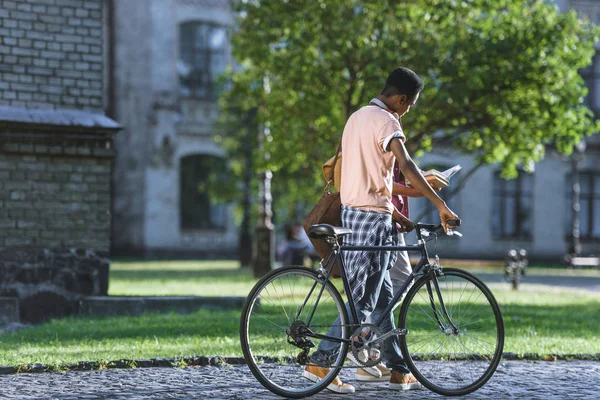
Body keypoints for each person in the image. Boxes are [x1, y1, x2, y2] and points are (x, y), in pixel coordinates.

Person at [303, 67, 460, 394]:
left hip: (356, 214)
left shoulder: (356, 117)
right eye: (410, 105)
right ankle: (321, 361)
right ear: (402, 98)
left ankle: (398, 369)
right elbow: (405, 166)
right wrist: (440, 204)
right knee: (363, 300)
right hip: (372, 222)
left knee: (383, 296)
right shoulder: (388, 122)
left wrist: (395, 214)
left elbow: (369, 177)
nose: (407, 111)